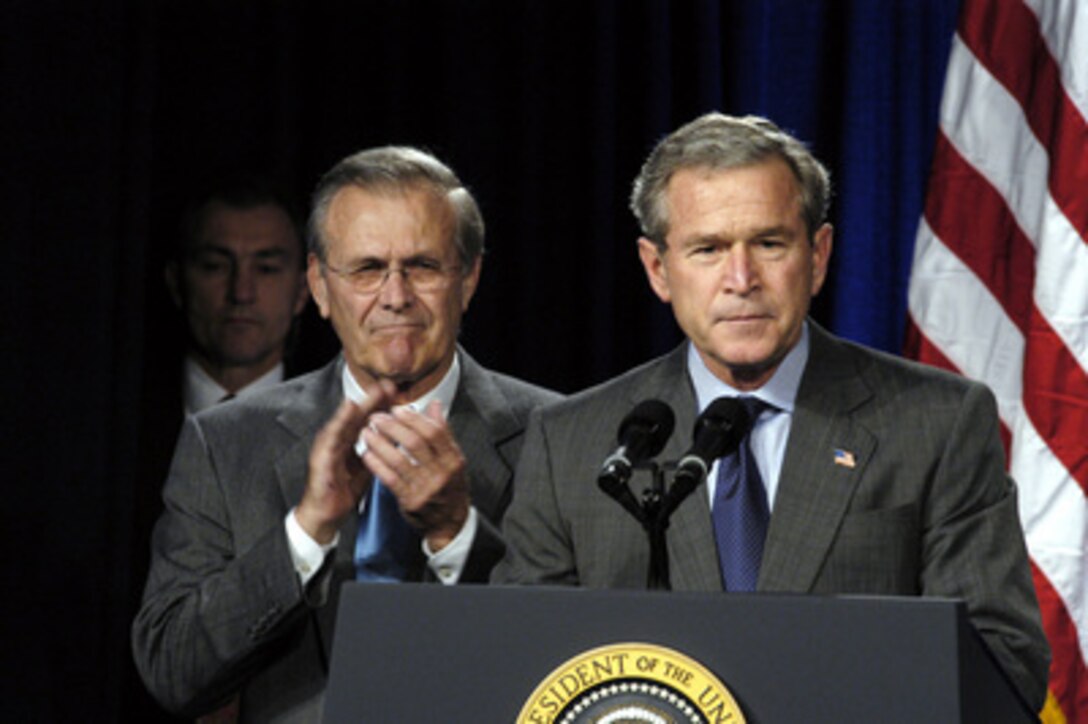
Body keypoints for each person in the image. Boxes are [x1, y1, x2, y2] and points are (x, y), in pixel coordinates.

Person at [492, 112, 1050, 710]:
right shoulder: (573, 445)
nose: (741, 279)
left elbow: (1002, 659)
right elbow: (524, 666)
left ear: (818, 255)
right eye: (708, 249)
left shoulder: (936, 423)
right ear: (658, 269)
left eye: (769, 244)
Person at [132, 146, 562, 721]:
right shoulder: (226, 443)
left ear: (469, 278)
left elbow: (576, 660)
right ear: (319, 285)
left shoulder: (557, 435)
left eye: (423, 267)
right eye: (366, 269)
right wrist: (305, 533)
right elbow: (173, 669)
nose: (395, 296)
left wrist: (457, 536)